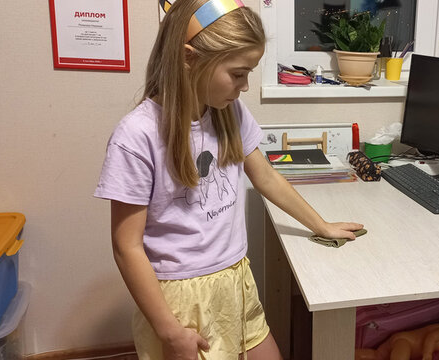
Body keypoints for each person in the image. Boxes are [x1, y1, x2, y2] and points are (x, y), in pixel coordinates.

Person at [93, 1, 364, 359]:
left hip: (235, 276)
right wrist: (170, 331)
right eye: (238, 74)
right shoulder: (137, 135)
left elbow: (265, 176)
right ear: (189, 58)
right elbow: (126, 246)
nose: (245, 86)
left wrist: (321, 225)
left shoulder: (228, 111)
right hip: (179, 301)